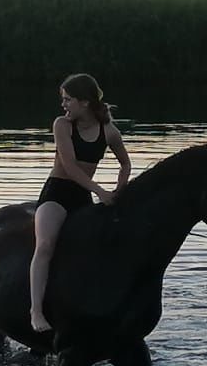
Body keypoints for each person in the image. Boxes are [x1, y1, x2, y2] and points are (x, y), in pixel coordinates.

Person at [29, 73, 131, 333]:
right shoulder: (62, 125)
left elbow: (125, 164)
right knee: (45, 244)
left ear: (84, 102)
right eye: (63, 100)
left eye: (68, 100)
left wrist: (119, 189)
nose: (64, 105)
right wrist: (101, 192)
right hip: (57, 193)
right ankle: (36, 311)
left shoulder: (109, 132)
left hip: (82, 196)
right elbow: (71, 168)